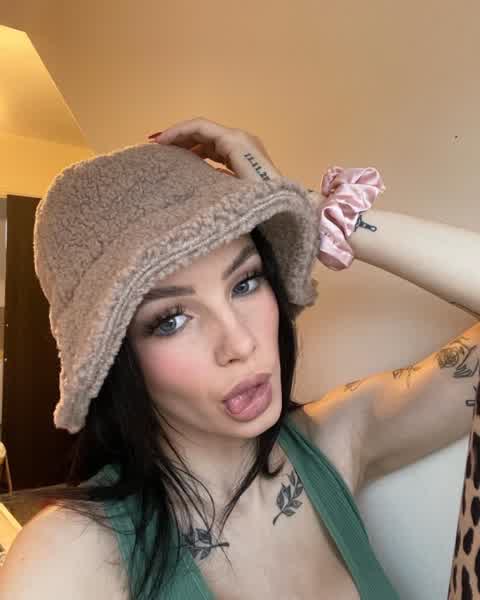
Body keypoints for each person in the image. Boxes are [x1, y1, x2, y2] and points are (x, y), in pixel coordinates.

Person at [0, 117, 479, 600]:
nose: (240, 344)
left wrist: (315, 210)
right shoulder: (68, 556)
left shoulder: (335, 440)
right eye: (171, 320)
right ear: (116, 358)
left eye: (246, 283)